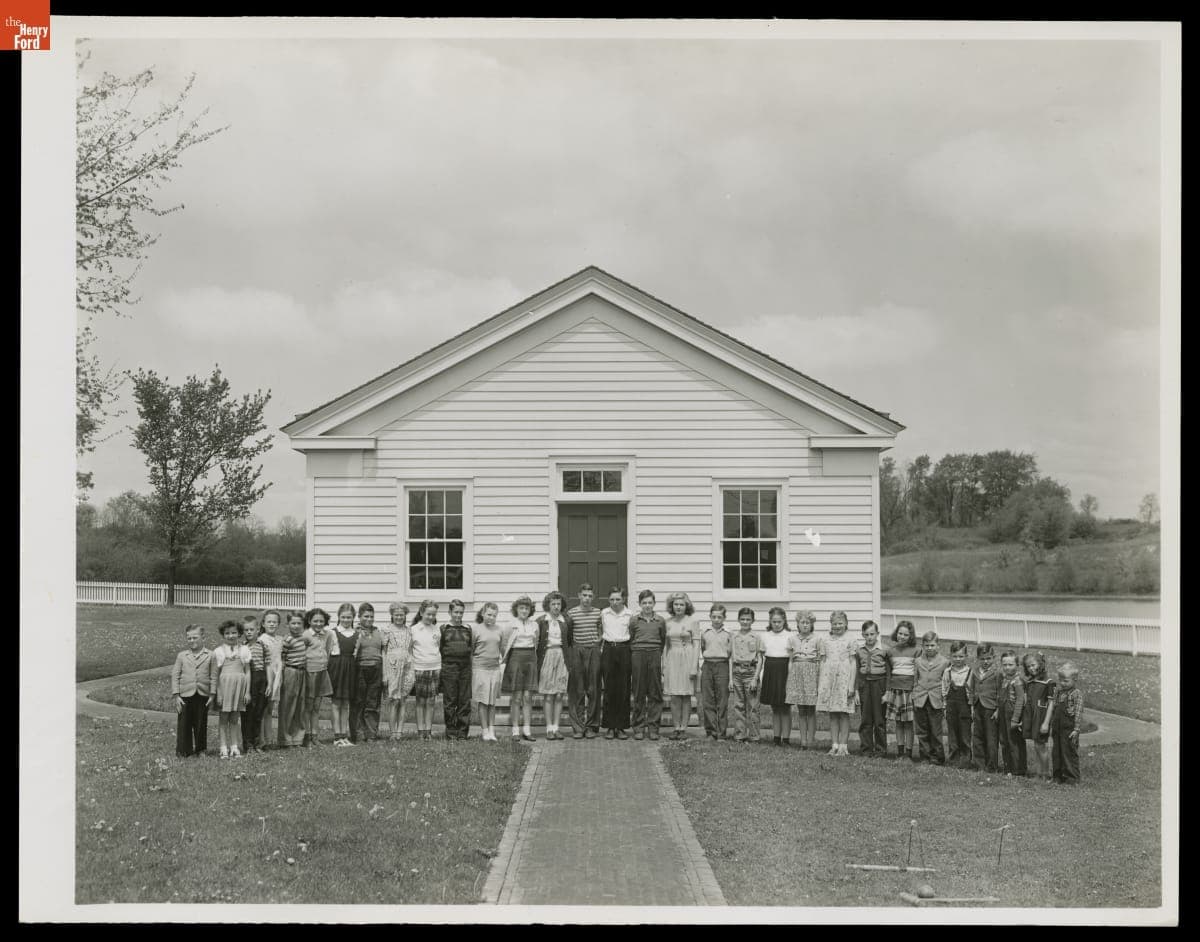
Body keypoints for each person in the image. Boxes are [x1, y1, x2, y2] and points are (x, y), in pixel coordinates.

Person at [816, 610, 858, 756]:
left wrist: (851, 685)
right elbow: (822, 661)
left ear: (846, 624)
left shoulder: (851, 640)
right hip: (829, 681)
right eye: (834, 624)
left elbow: (853, 663)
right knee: (833, 714)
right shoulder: (825, 640)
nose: (837, 626)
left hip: (844, 681)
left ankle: (843, 746)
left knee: (844, 713)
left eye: (840, 623)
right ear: (830, 624)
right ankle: (834, 744)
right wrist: (821, 684)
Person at [565, 583, 603, 739]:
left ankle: (591, 726)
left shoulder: (598, 613)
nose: (587, 598)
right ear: (579, 595)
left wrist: (597, 644)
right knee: (577, 690)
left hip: (593, 650)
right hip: (577, 650)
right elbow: (568, 636)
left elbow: (602, 632)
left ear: (592, 597)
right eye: (584, 595)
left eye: (589, 596)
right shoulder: (572, 613)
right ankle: (578, 727)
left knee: (593, 690)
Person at [628, 589, 667, 741]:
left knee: (655, 692)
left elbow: (663, 639)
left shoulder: (660, 621)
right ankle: (638, 727)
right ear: (639, 604)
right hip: (638, 655)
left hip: (655, 654)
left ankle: (653, 728)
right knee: (638, 691)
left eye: (650, 603)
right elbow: (631, 638)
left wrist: (656, 652)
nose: (647, 606)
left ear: (654, 604)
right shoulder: (634, 620)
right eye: (644, 603)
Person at [501, 595, 540, 742]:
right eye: (521, 608)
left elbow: (537, 641)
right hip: (515, 659)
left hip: (530, 659)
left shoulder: (534, 625)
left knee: (528, 697)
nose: (524, 610)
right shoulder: (510, 625)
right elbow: (504, 644)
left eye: (527, 608)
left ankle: (527, 730)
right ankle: (515, 730)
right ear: (516, 609)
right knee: (517, 697)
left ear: (530, 610)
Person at [211, 619, 252, 758]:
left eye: (234, 632)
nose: (231, 636)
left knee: (235, 719)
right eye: (227, 633)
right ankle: (223, 747)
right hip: (225, 687)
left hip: (239, 688)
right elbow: (215, 675)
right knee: (223, 719)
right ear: (223, 635)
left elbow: (247, 672)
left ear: (239, 633)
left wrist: (247, 691)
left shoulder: (244, 650)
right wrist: (219, 693)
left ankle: (234, 747)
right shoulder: (219, 651)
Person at [171, 624, 212, 757]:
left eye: (195, 637)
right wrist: (176, 695)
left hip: (202, 694)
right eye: (189, 638)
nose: (192, 640)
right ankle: (183, 750)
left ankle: (201, 749)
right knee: (184, 724)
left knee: (201, 723)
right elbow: (175, 675)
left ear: (203, 637)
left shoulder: (210, 655)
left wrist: (212, 694)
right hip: (185, 695)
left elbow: (214, 676)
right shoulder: (182, 656)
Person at [662, 592, 698, 740]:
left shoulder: (693, 621)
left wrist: (694, 666)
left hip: (688, 656)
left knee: (686, 695)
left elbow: (696, 645)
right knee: (675, 695)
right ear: (672, 606)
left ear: (686, 606)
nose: (678, 607)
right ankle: (676, 727)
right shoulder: (667, 622)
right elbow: (666, 645)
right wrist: (664, 664)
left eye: (681, 604)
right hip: (673, 658)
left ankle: (684, 728)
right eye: (676, 604)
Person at [599, 587, 633, 739]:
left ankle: (621, 726)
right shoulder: (604, 613)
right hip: (608, 649)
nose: (614, 602)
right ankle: (609, 726)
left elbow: (633, 633)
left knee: (624, 688)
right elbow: (599, 631)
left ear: (623, 599)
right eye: (612, 599)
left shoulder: (630, 615)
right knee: (609, 688)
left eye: (618, 599)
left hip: (624, 649)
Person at [536, 592, 570, 740]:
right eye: (553, 604)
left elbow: (569, 641)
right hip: (547, 656)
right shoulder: (541, 621)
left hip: (562, 656)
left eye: (558, 604)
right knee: (548, 694)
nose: (556, 607)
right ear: (548, 605)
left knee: (559, 694)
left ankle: (556, 727)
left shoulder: (566, 620)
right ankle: (549, 728)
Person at [883, 620, 919, 760]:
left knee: (909, 723)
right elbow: (889, 673)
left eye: (905, 634)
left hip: (909, 690)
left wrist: (915, 690)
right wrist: (887, 691)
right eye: (900, 633)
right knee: (898, 723)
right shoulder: (891, 652)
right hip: (895, 690)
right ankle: (900, 752)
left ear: (910, 636)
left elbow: (917, 672)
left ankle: (909, 753)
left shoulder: (916, 651)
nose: (902, 636)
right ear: (896, 634)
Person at [912, 631, 949, 765]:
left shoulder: (945, 662)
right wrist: (914, 695)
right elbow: (915, 680)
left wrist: (944, 701)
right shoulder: (918, 661)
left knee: (935, 731)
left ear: (938, 646)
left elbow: (946, 682)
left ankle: (937, 757)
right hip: (920, 699)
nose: (929, 648)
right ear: (923, 646)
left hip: (936, 699)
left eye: (932, 645)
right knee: (922, 730)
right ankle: (925, 756)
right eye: (926, 645)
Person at [439, 600, 474, 741]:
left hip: (465, 668)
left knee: (464, 700)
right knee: (450, 700)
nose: (458, 615)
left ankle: (462, 732)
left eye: (461, 612)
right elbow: (440, 648)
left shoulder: (468, 629)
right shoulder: (443, 629)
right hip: (449, 667)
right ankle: (451, 732)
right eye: (456, 612)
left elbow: (471, 648)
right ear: (450, 613)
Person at [785, 610, 820, 750]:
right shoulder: (792, 639)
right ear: (798, 624)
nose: (805, 625)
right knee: (801, 710)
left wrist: (818, 679)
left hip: (811, 672)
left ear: (812, 625)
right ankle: (803, 741)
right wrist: (790, 678)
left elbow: (820, 660)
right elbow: (790, 661)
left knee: (810, 709)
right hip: (797, 673)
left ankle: (811, 740)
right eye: (802, 622)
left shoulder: (817, 639)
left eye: (808, 623)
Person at [472, 602, 507, 742]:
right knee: (483, 701)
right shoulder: (476, 630)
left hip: (494, 669)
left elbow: (503, 649)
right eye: (489, 614)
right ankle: (484, 731)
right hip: (480, 668)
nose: (491, 618)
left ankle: (492, 730)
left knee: (492, 702)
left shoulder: (499, 630)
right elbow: (471, 650)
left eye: (494, 615)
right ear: (483, 614)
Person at [854, 619, 889, 758]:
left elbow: (889, 673)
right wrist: (856, 690)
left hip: (879, 685)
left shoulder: (884, 650)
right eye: (866, 634)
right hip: (864, 685)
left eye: (872, 634)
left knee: (879, 719)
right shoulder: (859, 651)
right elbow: (857, 671)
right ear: (863, 635)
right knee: (866, 719)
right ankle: (866, 749)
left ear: (877, 634)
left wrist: (887, 692)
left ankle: (881, 750)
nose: (869, 637)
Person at [729, 607, 764, 743]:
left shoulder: (756, 637)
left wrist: (755, 678)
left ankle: (754, 736)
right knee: (738, 705)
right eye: (742, 619)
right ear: (738, 620)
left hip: (750, 672)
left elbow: (760, 659)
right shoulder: (734, 637)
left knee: (753, 706)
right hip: (737, 672)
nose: (745, 622)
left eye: (748, 619)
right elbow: (731, 658)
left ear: (753, 621)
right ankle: (740, 735)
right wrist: (731, 679)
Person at [302, 608, 335, 747]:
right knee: (308, 706)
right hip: (310, 673)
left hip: (322, 672)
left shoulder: (327, 634)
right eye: (315, 620)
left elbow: (327, 651)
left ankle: (315, 736)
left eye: (321, 621)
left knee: (316, 707)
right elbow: (301, 654)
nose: (318, 623)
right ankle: (306, 736)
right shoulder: (305, 635)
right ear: (309, 621)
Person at [698, 603, 732, 740]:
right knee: (708, 700)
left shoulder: (729, 633)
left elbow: (730, 654)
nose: (716, 619)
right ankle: (711, 732)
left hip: (722, 665)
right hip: (708, 665)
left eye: (719, 617)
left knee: (722, 701)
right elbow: (702, 649)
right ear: (710, 617)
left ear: (724, 618)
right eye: (714, 617)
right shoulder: (705, 632)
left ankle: (721, 732)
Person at [759, 606, 792, 746]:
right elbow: (761, 658)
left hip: (784, 670)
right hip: (770, 670)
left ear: (784, 621)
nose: (777, 624)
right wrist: (760, 676)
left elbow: (791, 659)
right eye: (774, 622)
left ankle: (786, 738)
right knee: (775, 707)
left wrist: (790, 677)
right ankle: (776, 737)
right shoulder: (765, 636)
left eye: (779, 621)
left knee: (785, 707)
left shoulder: (790, 636)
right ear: (770, 621)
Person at [410, 600, 443, 741]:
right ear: (422, 612)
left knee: (431, 701)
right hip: (419, 668)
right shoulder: (414, 629)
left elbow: (438, 647)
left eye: (433, 614)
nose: (430, 617)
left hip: (435, 668)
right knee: (420, 701)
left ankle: (428, 731)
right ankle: (420, 731)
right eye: (428, 614)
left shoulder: (437, 629)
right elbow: (409, 650)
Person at [381, 602, 414, 740]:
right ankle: (392, 731)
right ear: (392, 615)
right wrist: (384, 672)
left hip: (406, 666)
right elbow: (383, 651)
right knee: (393, 700)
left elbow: (411, 649)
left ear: (405, 616)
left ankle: (400, 731)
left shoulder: (409, 631)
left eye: (401, 615)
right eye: (396, 615)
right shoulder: (387, 630)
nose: (399, 617)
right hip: (392, 666)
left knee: (403, 700)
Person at [352, 602, 385, 743]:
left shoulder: (378, 632)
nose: (369, 619)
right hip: (360, 668)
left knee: (373, 702)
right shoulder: (355, 632)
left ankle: (371, 734)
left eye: (371, 616)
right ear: (359, 617)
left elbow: (384, 651)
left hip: (376, 669)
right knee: (359, 702)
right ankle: (359, 734)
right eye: (366, 616)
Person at [327, 603, 359, 747]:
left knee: (345, 703)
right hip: (336, 667)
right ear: (339, 617)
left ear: (353, 617)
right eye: (343, 617)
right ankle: (336, 736)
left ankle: (344, 735)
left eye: (349, 617)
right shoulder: (333, 632)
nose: (346, 620)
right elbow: (327, 652)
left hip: (350, 668)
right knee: (336, 702)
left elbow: (356, 653)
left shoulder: (357, 633)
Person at [277, 612, 309, 749]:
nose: (296, 626)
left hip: (303, 672)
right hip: (290, 671)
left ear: (303, 625)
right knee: (288, 705)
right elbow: (282, 659)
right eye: (293, 623)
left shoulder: (306, 639)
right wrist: (281, 677)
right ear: (288, 624)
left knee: (300, 706)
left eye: (299, 623)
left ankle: (298, 739)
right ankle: (285, 739)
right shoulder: (287, 640)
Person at [941, 641, 975, 768]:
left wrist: (971, 708)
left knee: (965, 735)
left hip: (965, 707)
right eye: (955, 656)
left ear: (966, 656)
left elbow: (972, 692)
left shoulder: (970, 672)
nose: (958, 659)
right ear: (951, 656)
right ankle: (953, 759)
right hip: (951, 706)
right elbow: (944, 690)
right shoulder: (947, 672)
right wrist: (944, 706)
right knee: (953, 734)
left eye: (961, 656)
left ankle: (966, 760)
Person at [1048, 661, 1083, 785]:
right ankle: (1057, 776)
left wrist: (1076, 729)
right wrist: (1051, 725)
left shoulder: (1076, 694)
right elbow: (1055, 709)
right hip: (1057, 727)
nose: (1062, 683)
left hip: (1069, 729)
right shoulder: (1058, 692)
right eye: (1061, 680)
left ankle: (1072, 778)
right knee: (1056, 752)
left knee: (1069, 752)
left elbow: (1078, 713)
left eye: (1066, 681)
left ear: (1074, 680)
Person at [1022, 652, 1055, 781]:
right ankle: (1038, 772)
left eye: (1033, 665)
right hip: (1031, 716)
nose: (1031, 668)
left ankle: (1046, 773)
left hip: (1041, 717)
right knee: (1036, 746)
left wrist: (1046, 723)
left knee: (1041, 746)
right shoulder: (1030, 682)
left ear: (1040, 664)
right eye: (1028, 666)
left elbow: (1051, 703)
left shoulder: (1048, 682)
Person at [995, 651, 1027, 777]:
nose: (1007, 667)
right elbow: (1000, 697)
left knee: (1014, 742)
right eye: (1005, 665)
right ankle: (1007, 767)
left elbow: (1020, 701)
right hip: (1003, 713)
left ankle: (1018, 769)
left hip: (1012, 714)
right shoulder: (1003, 679)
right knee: (1004, 741)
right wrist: (998, 711)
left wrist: (1015, 719)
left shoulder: (1018, 681)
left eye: (1010, 664)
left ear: (1017, 665)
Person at [971, 643, 1002, 772]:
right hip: (978, 706)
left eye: (988, 658)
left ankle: (991, 766)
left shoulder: (997, 673)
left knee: (991, 738)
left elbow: (1001, 693)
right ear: (978, 658)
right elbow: (972, 690)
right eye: (982, 659)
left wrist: (998, 710)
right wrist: (972, 706)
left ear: (993, 658)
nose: (985, 661)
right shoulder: (975, 672)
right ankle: (979, 764)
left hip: (991, 708)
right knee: (977, 736)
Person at [241, 615, 267, 753]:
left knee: (258, 713)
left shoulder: (262, 646)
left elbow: (267, 665)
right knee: (248, 714)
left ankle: (257, 743)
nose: (249, 632)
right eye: (246, 630)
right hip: (248, 679)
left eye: (252, 629)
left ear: (258, 630)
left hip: (261, 679)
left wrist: (268, 684)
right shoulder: (242, 647)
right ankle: (247, 744)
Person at [257, 609, 284, 747]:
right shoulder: (260, 640)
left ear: (278, 624)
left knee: (270, 709)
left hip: (277, 676)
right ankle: (261, 740)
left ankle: (269, 739)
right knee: (262, 709)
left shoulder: (280, 639)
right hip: (266, 676)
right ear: (263, 623)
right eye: (269, 622)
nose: (272, 624)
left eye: (275, 622)